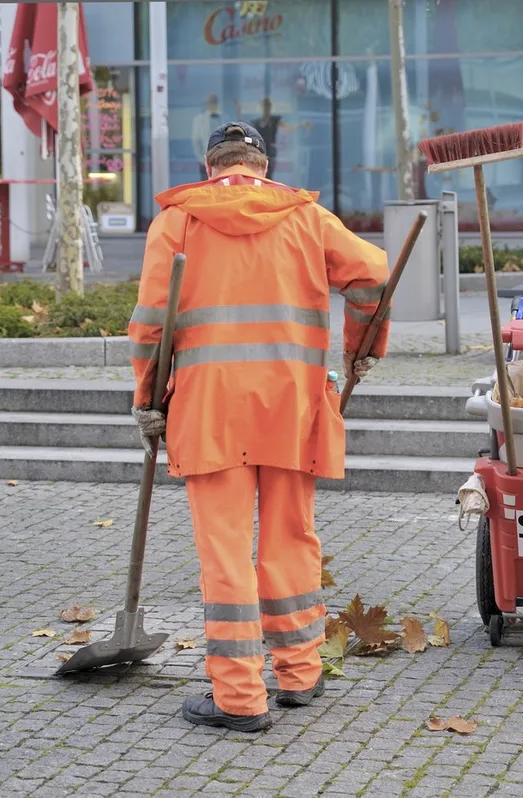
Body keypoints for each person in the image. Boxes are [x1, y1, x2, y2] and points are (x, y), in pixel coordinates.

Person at [127, 122, 390, 733]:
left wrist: (148, 399)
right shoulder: (307, 218)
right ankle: (299, 673)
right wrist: (362, 347)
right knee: (291, 539)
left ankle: (239, 698)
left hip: (210, 409)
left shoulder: (178, 222)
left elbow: (149, 325)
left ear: (210, 166)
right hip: (293, 406)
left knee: (225, 554)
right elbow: (373, 275)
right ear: (263, 166)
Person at [247, 97, 311, 181]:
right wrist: (238, 111)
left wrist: (302, 125)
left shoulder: (274, 121)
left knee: (268, 173)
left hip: (269, 152)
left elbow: (288, 128)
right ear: (261, 107)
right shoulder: (256, 122)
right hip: (258, 151)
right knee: (258, 173)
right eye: (264, 106)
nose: (266, 108)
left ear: (270, 107)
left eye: (267, 106)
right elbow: (245, 128)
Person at [190, 95, 223, 181]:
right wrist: (201, 159)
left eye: (214, 102)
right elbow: (196, 141)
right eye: (210, 102)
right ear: (207, 104)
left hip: (222, 161)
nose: (212, 105)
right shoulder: (199, 120)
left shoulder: (224, 118)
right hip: (205, 161)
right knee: (206, 185)